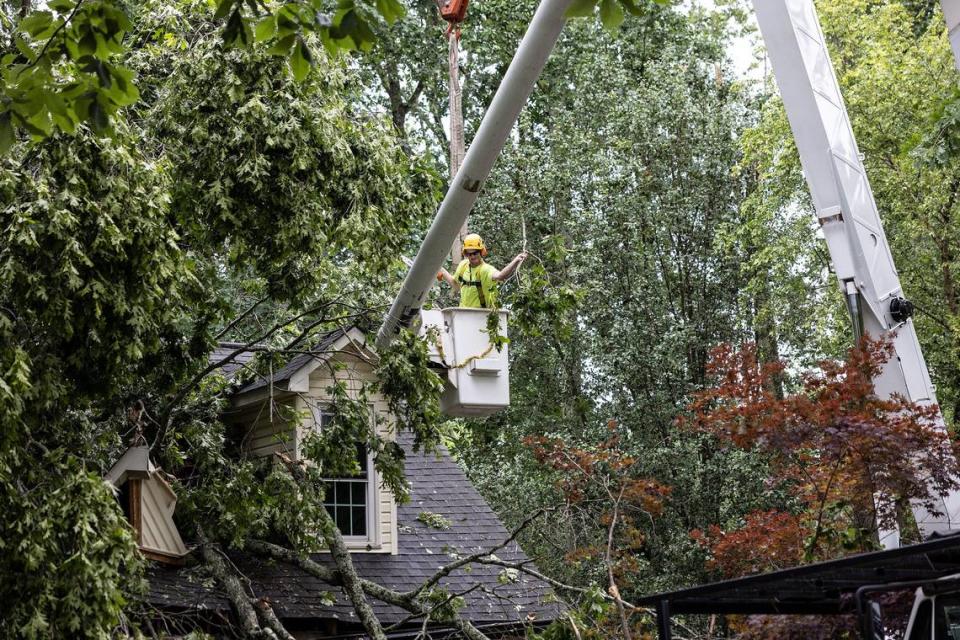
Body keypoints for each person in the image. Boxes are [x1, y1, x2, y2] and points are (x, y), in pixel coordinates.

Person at [437, 233, 527, 308]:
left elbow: (501, 276)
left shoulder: (486, 269)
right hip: (463, 313)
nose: (472, 256)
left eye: (475, 253)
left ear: (481, 251)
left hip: (481, 315)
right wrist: (440, 269)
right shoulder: (463, 266)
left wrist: (516, 260)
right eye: (469, 254)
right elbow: (456, 285)